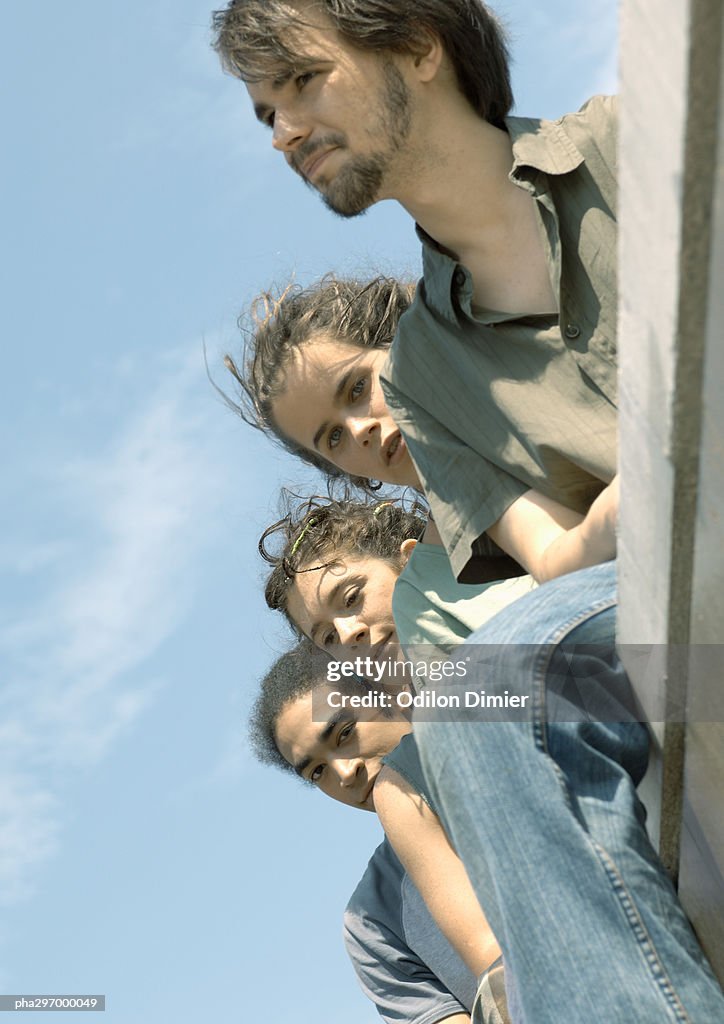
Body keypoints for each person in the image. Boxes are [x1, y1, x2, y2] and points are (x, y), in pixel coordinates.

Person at [212, 0, 619, 579]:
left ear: (418, 47)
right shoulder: (424, 384)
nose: (284, 133)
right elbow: (557, 561)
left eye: (302, 79)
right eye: (268, 114)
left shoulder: (632, 142)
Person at [225, 274, 618, 585]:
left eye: (358, 388)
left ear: (402, 340)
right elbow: (558, 557)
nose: (360, 429)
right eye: (333, 438)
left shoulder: (519, 349)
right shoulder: (428, 589)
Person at [250, 640, 511, 1024]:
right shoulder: (372, 922)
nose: (344, 773)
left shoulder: (517, 747)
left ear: (389, 691)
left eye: (343, 734)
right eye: (317, 772)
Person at [258, 494, 536, 655]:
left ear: (412, 560)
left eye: (352, 597)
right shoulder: (423, 746)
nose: (348, 634)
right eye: (328, 638)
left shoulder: (531, 600)